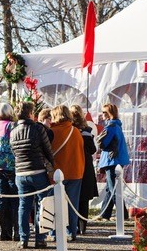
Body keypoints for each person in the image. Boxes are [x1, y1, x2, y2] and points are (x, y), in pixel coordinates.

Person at [10, 101, 54, 249]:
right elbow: (47, 149)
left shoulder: (13, 131)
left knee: (24, 206)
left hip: (21, 172)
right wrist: (52, 164)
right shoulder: (37, 128)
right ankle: (40, 238)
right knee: (42, 204)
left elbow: (13, 152)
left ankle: (23, 238)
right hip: (38, 170)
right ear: (30, 114)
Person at [50, 105, 84, 241]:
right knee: (72, 204)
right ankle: (71, 232)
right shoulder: (75, 131)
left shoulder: (52, 131)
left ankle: (53, 233)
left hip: (57, 173)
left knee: (54, 203)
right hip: (75, 172)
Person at [0, 102, 19, 241]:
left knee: (1, 198)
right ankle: (16, 231)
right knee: (14, 198)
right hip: (11, 165)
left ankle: (3, 232)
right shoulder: (12, 125)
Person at [94, 103, 130, 221]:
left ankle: (123, 215)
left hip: (112, 161)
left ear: (109, 114)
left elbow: (103, 144)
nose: (102, 115)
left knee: (114, 189)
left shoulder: (111, 127)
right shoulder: (117, 126)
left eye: (104, 112)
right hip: (117, 160)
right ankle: (105, 213)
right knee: (110, 189)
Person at [70, 105, 98, 235]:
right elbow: (92, 149)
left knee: (72, 196)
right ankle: (82, 226)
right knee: (84, 198)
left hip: (73, 164)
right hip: (86, 166)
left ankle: (73, 225)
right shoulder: (86, 131)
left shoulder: (69, 130)